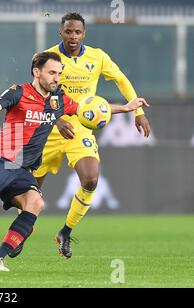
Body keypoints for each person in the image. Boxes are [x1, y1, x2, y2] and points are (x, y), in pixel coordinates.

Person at [0, 51, 148, 271]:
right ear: (37, 72)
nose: (57, 78)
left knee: (36, 203)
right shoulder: (19, 92)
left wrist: (125, 108)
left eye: (59, 73)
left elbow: (90, 110)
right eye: (52, 73)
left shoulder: (59, 99)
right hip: (2, 161)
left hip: (24, 170)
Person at [31, 12, 152, 259]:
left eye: (77, 32)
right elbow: (35, 95)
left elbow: (121, 79)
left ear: (84, 34)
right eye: (68, 31)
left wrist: (137, 111)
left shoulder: (97, 57)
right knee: (31, 192)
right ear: (61, 32)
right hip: (50, 128)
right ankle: (24, 227)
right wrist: (58, 117)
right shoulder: (49, 58)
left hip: (80, 129)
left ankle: (65, 232)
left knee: (90, 179)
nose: (73, 36)